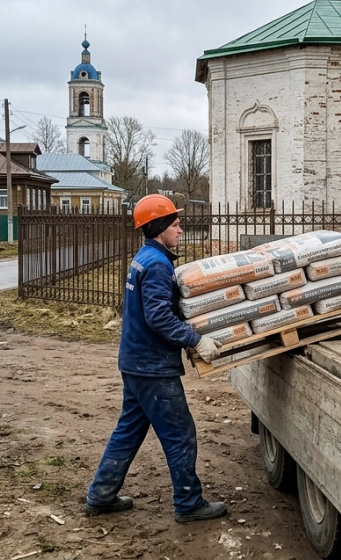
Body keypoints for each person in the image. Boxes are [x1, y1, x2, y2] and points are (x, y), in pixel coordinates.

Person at [84, 194, 228, 524]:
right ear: (159, 226)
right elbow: (158, 317)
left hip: (135, 361)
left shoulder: (145, 258)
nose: (180, 230)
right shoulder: (158, 265)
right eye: (175, 225)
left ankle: (101, 495)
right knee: (180, 433)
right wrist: (196, 340)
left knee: (129, 430)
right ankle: (189, 504)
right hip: (152, 367)